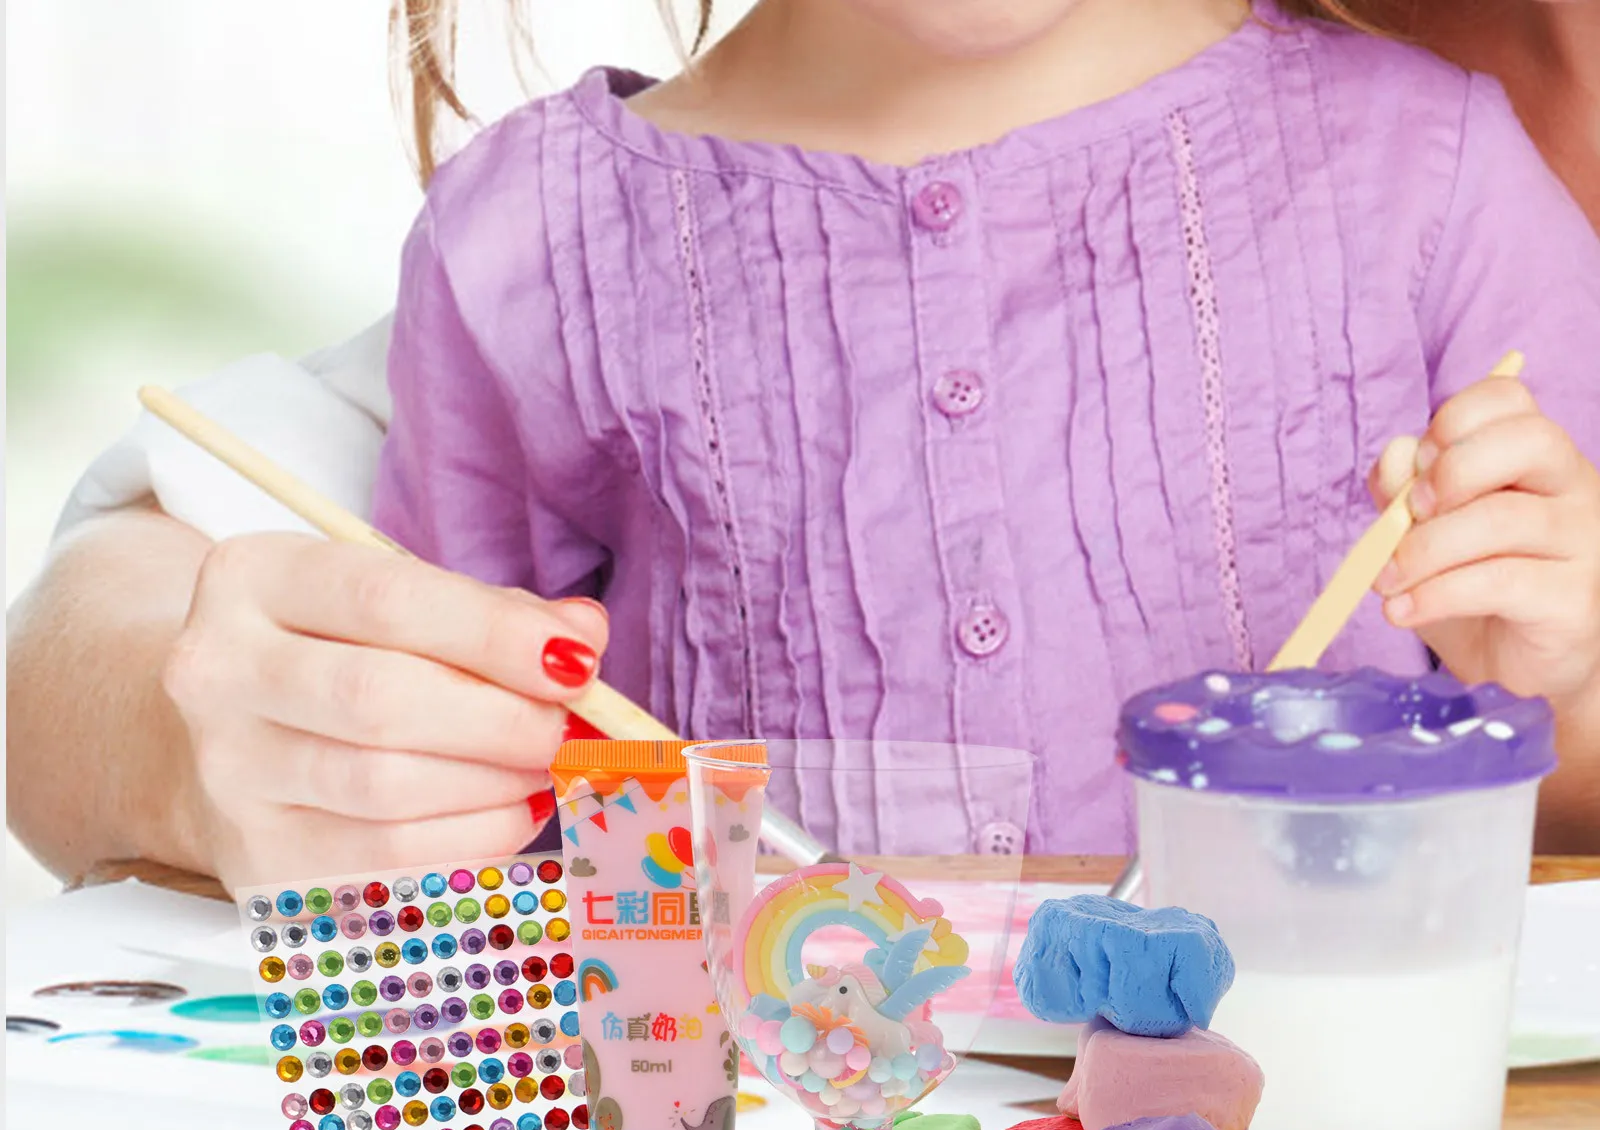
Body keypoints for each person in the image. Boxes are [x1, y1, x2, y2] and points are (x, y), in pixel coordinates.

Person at [9, 0, 1600, 889]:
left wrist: (1565, 670)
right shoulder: (527, 247)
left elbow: (1557, 759)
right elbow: (425, 839)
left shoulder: (1438, 176)